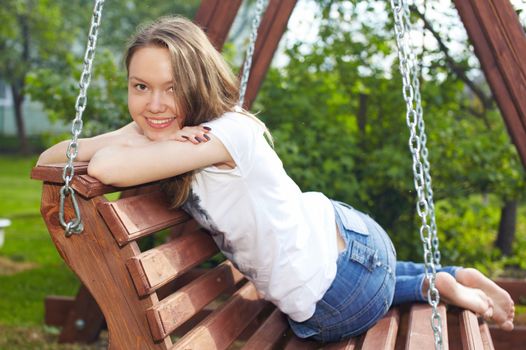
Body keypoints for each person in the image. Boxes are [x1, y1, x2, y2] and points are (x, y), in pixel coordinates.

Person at [37, 16, 515, 342]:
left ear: (199, 82)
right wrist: (134, 126)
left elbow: (102, 168)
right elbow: (52, 156)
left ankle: (439, 282)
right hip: (342, 239)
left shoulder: (222, 136)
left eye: (171, 87)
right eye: (140, 87)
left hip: (340, 291)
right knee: (353, 277)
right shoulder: (190, 135)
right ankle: (447, 280)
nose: (155, 103)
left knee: (334, 307)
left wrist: (130, 132)